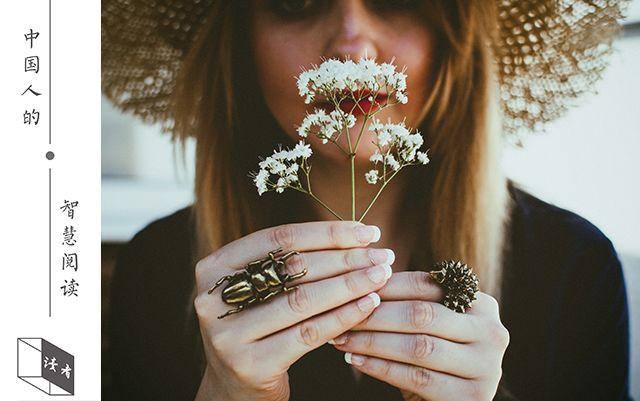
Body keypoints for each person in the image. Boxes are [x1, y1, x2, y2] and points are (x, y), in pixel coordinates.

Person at [101, 1, 632, 400]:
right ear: (241, 43)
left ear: (455, 37)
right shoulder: (160, 269)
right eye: (298, 2)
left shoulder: (572, 266)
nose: (352, 46)